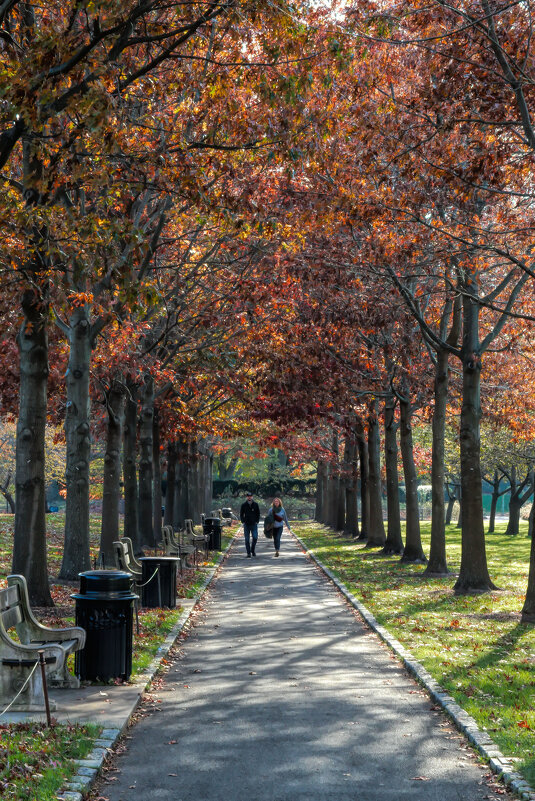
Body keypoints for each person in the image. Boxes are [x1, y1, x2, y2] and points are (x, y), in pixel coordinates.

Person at [240, 492, 260, 557]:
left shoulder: (255, 504)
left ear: (252, 497)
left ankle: (252, 550)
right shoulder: (244, 505)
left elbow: (258, 513)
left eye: (250, 496)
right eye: (248, 496)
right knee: (247, 539)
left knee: (255, 537)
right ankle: (248, 553)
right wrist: (243, 521)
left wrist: (257, 521)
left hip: (254, 524)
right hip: (246, 524)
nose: (249, 497)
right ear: (247, 497)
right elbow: (241, 514)